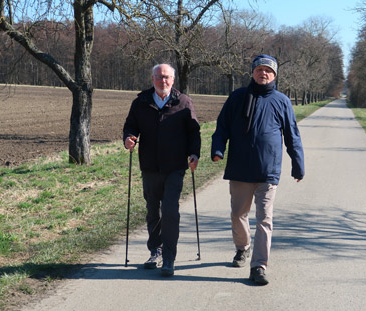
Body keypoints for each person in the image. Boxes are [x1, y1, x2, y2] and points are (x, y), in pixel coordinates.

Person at [211, 54, 304, 285]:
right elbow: (222, 126)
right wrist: (218, 149)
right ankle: (243, 248)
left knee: (264, 219)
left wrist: (298, 164)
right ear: (252, 72)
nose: (263, 73)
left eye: (268, 71)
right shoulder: (237, 97)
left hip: (268, 171)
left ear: (274, 75)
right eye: (259, 69)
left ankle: (259, 266)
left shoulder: (282, 101)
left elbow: (292, 135)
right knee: (237, 215)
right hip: (240, 168)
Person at [123, 63, 201, 277]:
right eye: (158, 77)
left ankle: (169, 256)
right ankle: (154, 250)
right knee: (152, 210)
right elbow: (130, 126)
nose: (162, 81)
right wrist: (129, 139)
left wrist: (194, 154)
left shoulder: (184, 102)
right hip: (149, 166)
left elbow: (194, 132)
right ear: (152, 79)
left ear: (173, 80)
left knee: (169, 211)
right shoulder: (141, 102)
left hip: (175, 166)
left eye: (166, 77)